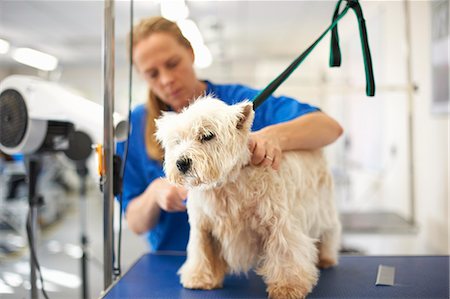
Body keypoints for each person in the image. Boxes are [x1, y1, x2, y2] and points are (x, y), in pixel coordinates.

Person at [116, 16, 343, 252]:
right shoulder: (135, 126)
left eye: (172, 64)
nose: (166, 79)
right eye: (152, 74)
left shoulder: (236, 106)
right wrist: (154, 193)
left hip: (252, 261)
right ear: (142, 77)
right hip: (172, 259)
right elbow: (135, 223)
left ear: (191, 53)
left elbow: (328, 128)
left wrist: (275, 136)